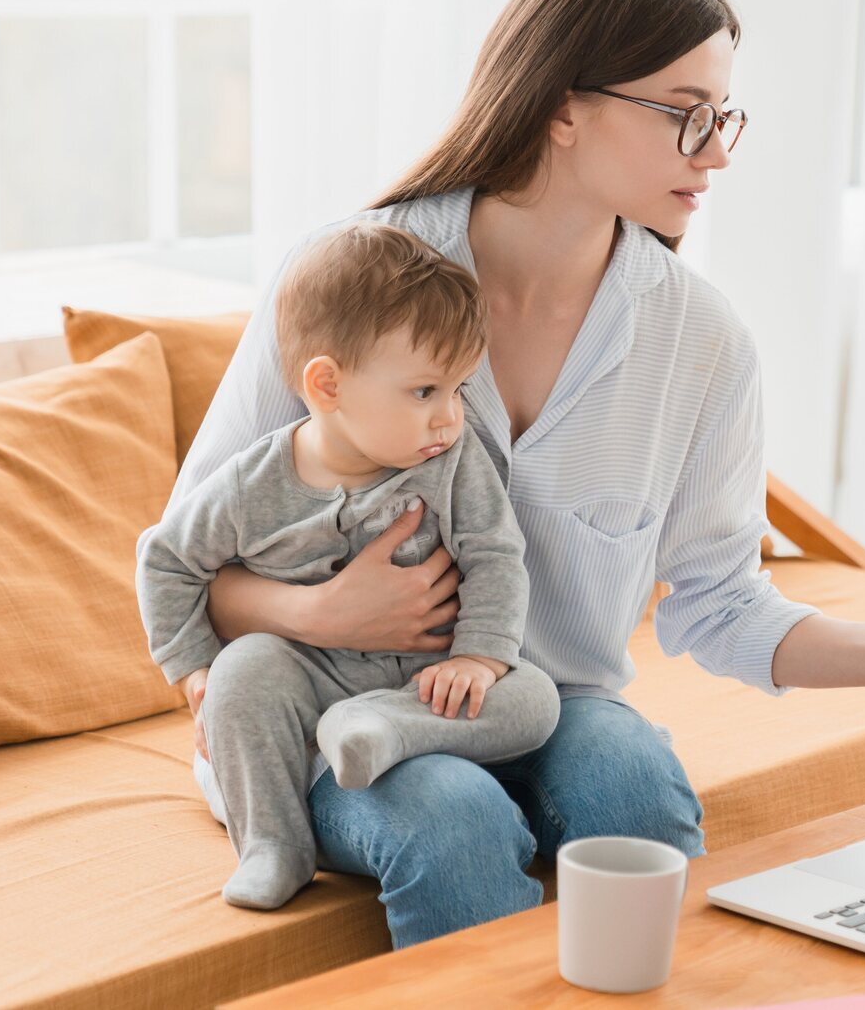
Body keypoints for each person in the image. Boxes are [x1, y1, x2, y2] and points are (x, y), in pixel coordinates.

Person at [169, 0, 865, 947]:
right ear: (561, 106)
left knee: (632, 779)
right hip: (330, 711)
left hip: (543, 707)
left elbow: (720, 601)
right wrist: (320, 607)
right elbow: (188, 562)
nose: (714, 153)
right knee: (451, 818)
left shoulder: (701, 342)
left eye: (724, 120)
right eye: (684, 115)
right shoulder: (346, 282)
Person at [136, 220, 559, 911]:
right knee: (244, 673)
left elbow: (496, 554)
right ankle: (273, 844)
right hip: (307, 680)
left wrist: (479, 658)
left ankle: (385, 728)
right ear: (327, 385)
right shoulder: (250, 484)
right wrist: (194, 670)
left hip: (424, 688)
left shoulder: (451, 463)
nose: (450, 418)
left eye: (458, 390)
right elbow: (166, 560)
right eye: (426, 392)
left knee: (535, 697)